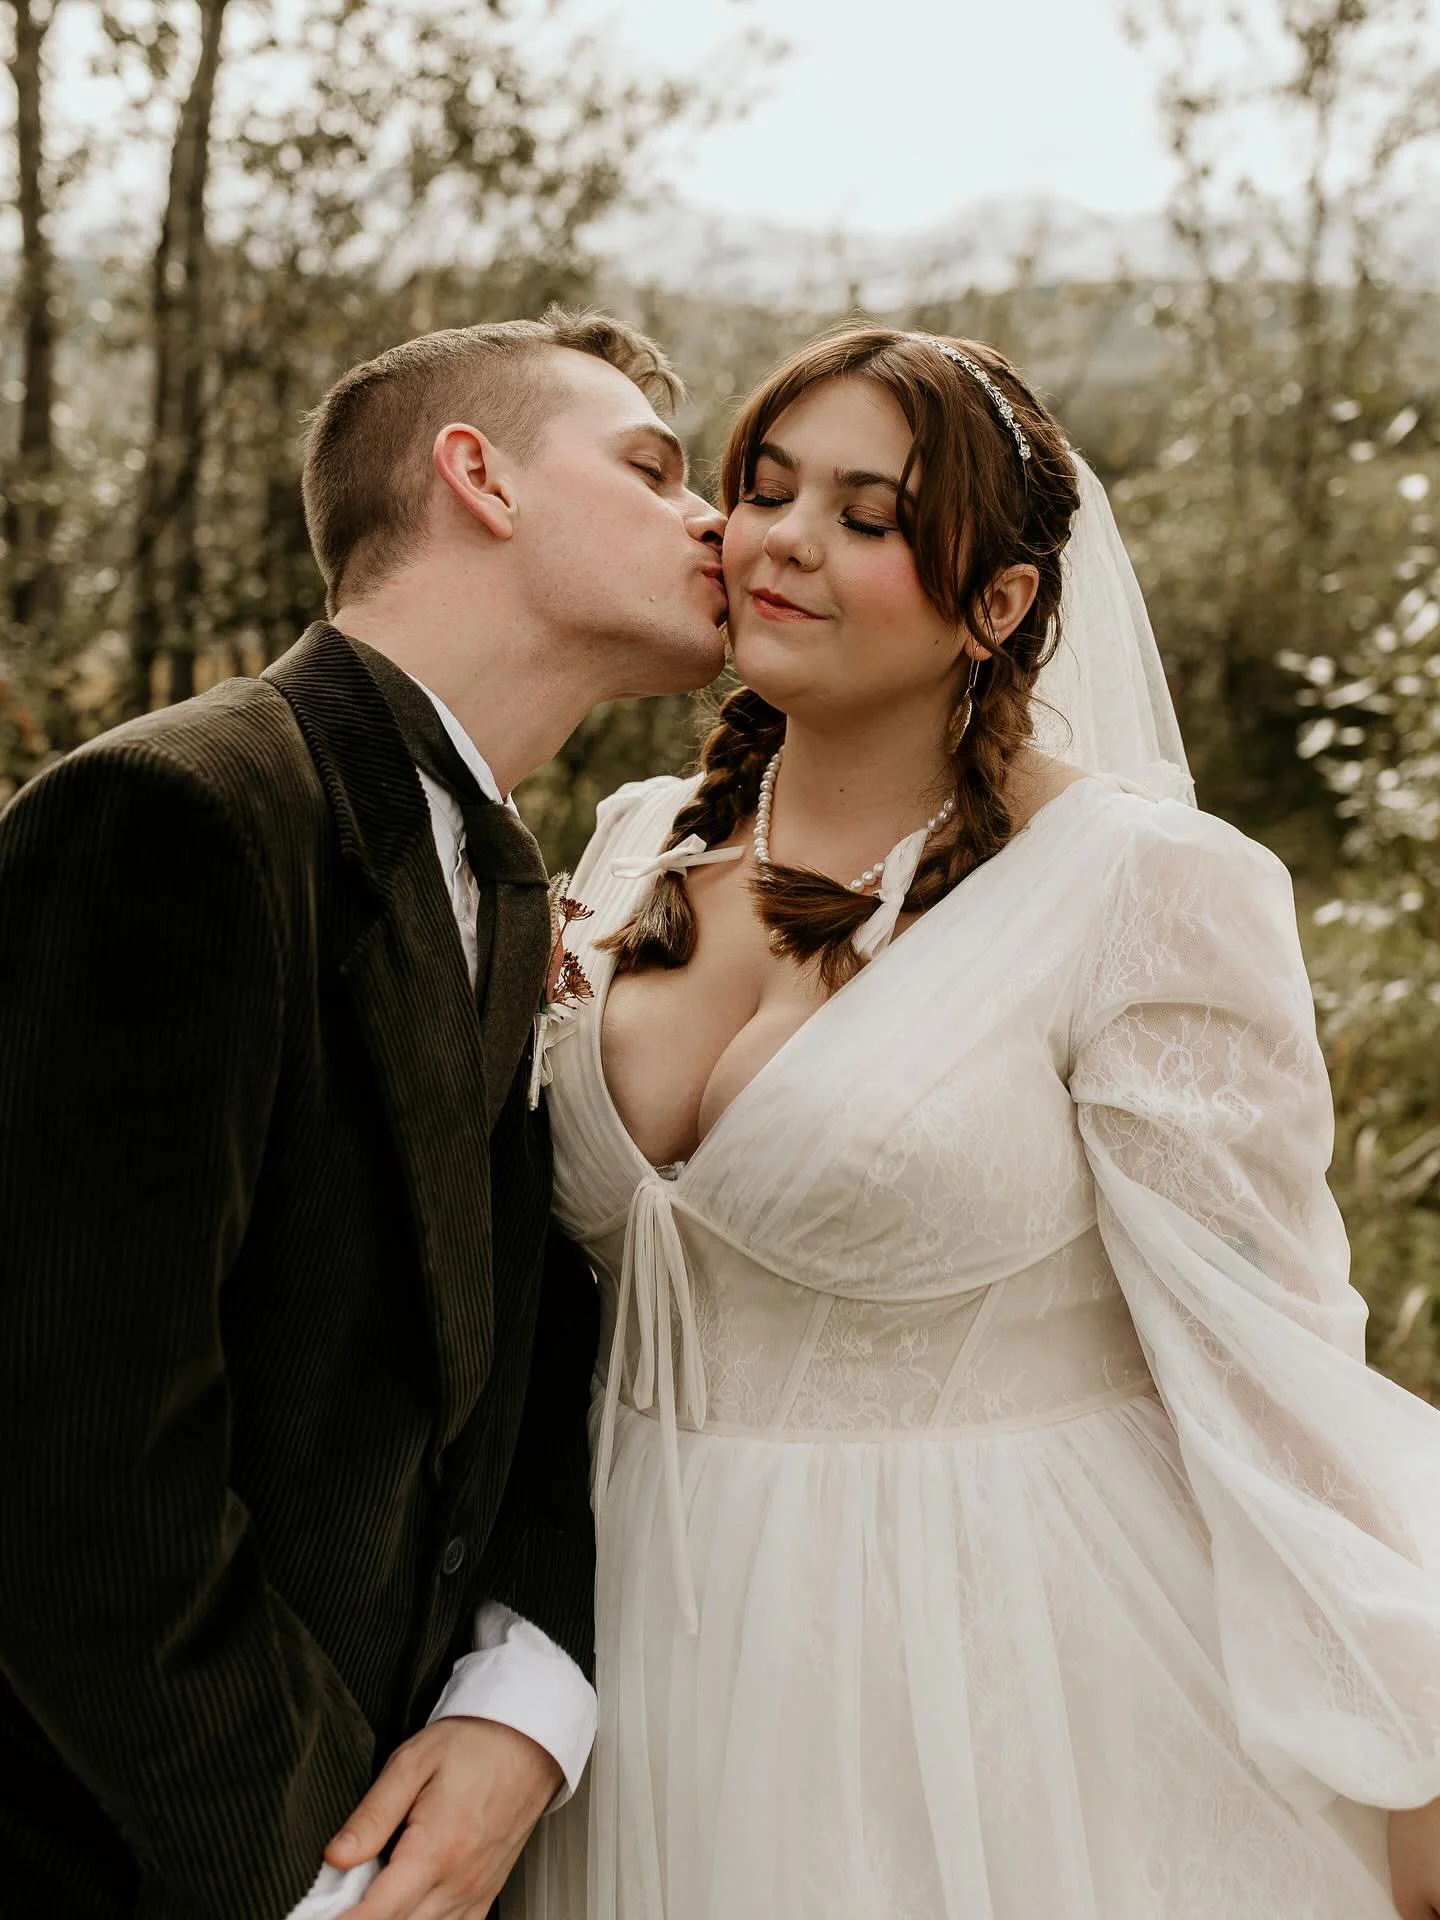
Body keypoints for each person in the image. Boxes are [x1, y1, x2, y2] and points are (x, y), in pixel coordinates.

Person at [516, 325, 1440, 1919]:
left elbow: (1262, 1343)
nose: (785, 541)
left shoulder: (1141, 884)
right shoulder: (631, 844)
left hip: (984, 1652)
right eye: (766, 489)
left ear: (999, 605)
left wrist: (1399, 1738)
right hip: (626, 1643)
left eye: (867, 516)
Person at [0, 309, 726, 1919]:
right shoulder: (172, 816)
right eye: (653, 471)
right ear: (480, 476)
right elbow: (73, 1460)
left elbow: (508, 1340)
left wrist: (521, 1695)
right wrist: (314, 1877)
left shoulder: (510, 876)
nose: (714, 523)